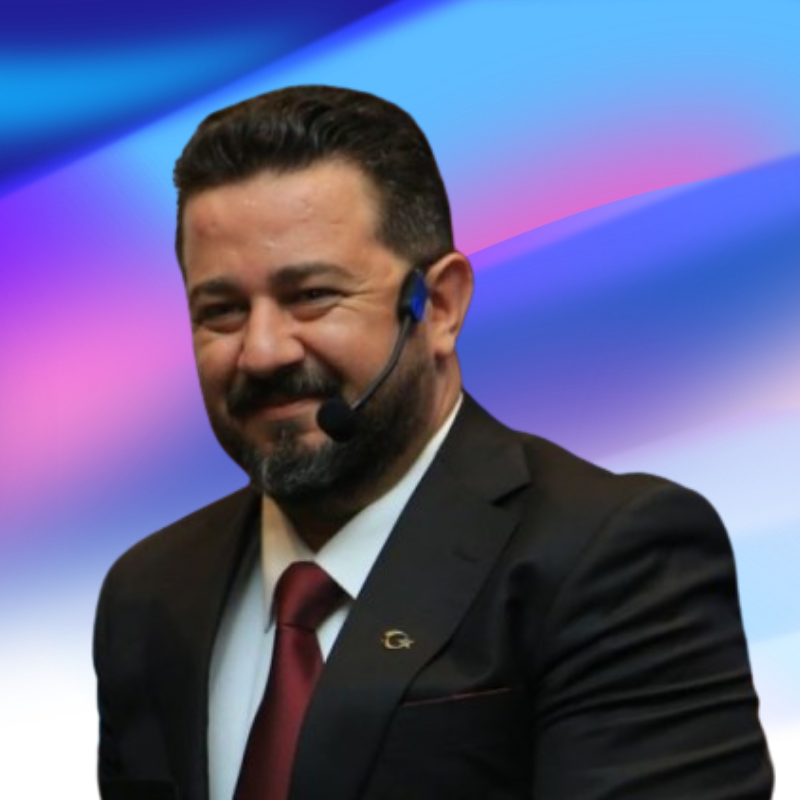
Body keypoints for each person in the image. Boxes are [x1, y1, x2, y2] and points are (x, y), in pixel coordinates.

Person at [93, 85, 773, 800]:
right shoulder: (150, 594)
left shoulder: (614, 558)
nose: (262, 351)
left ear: (440, 305)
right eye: (222, 311)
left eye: (312, 296)